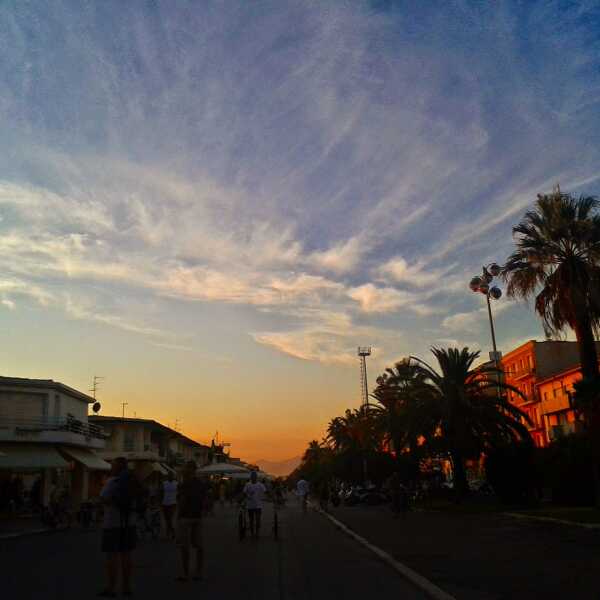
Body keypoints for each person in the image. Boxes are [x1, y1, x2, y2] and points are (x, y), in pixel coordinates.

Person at [99, 457, 141, 598]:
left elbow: (103, 498)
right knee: (127, 556)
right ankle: (127, 587)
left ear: (117, 468)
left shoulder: (112, 482)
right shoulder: (133, 482)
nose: (111, 468)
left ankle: (111, 588)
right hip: (130, 523)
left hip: (112, 524)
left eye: (112, 466)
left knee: (112, 556)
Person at [176, 461, 208, 582]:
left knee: (185, 546)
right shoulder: (200, 484)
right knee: (199, 546)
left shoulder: (184, 484)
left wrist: (178, 516)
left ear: (189, 470)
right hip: (197, 517)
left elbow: (182, 501)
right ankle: (198, 572)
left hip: (186, 517)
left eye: (185, 468)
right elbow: (205, 500)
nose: (183, 470)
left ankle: (185, 573)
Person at [243, 470, 266, 538]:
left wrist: (271, 496)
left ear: (256, 477)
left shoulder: (260, 485)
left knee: (258, 520)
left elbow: (266, 491)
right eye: (252, 476)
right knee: (251, 520)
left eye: (254, 476)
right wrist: (247, 496)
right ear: (251, 477)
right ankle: (252, 533)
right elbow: (244, 492)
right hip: (250, 505)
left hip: (258, 505)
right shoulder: (247, 484)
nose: (253, 477)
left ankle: (257, 533)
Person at [161, 472, 178, 539]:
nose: (170, 477)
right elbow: (161, 492)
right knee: (167, 519)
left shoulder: (176, 483)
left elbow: (179, 493)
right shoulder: (164, 483)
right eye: (169, 476)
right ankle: (170, 532)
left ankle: (171, 532)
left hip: (173, 503)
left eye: (171, 476)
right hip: (165, 503)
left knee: (170, 518)